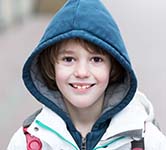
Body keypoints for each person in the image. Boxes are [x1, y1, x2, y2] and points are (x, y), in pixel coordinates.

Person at [8, 0, 166, 149]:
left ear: (114, 67)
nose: (82, 72)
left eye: (96, 59)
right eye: (68, 59)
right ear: (51, 66)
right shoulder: (26, 142)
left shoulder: (148, 141)